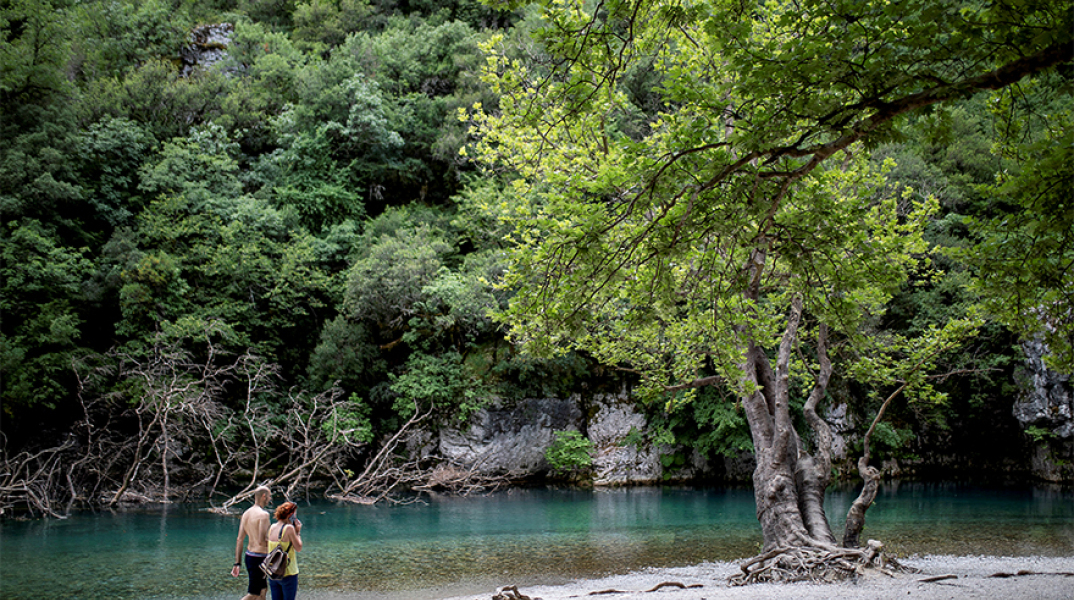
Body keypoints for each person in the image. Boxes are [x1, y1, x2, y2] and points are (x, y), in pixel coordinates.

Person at [231, 486, 273, 600]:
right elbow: (262, 541)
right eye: (269, 496)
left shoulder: (246, 513)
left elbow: (239, 539)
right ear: (264, 496)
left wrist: (237, 563)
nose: (270, 499)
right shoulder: (264, 515)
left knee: (263, 591)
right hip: (259, 558)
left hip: (249, 556)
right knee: (253, 593)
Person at [266, 501, 303, 600]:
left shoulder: (272, 527)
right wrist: (298, 532)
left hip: (273, 572)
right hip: (288, 572)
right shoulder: (289, 528)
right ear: (291, 515)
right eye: (295, 514)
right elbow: (298, 548)